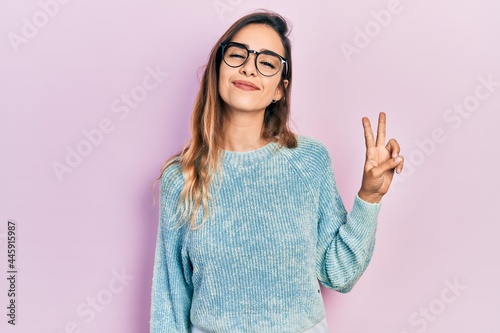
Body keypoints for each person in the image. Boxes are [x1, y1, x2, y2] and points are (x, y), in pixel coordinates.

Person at [149, 10, 404, 333]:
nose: (248, 68)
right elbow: (170, 303)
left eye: (267, 63)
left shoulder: (308, 161)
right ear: (217, 70)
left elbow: (340, 273)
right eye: (237, 55)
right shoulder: (181, 177)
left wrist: (370, 196)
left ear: (280, 89)